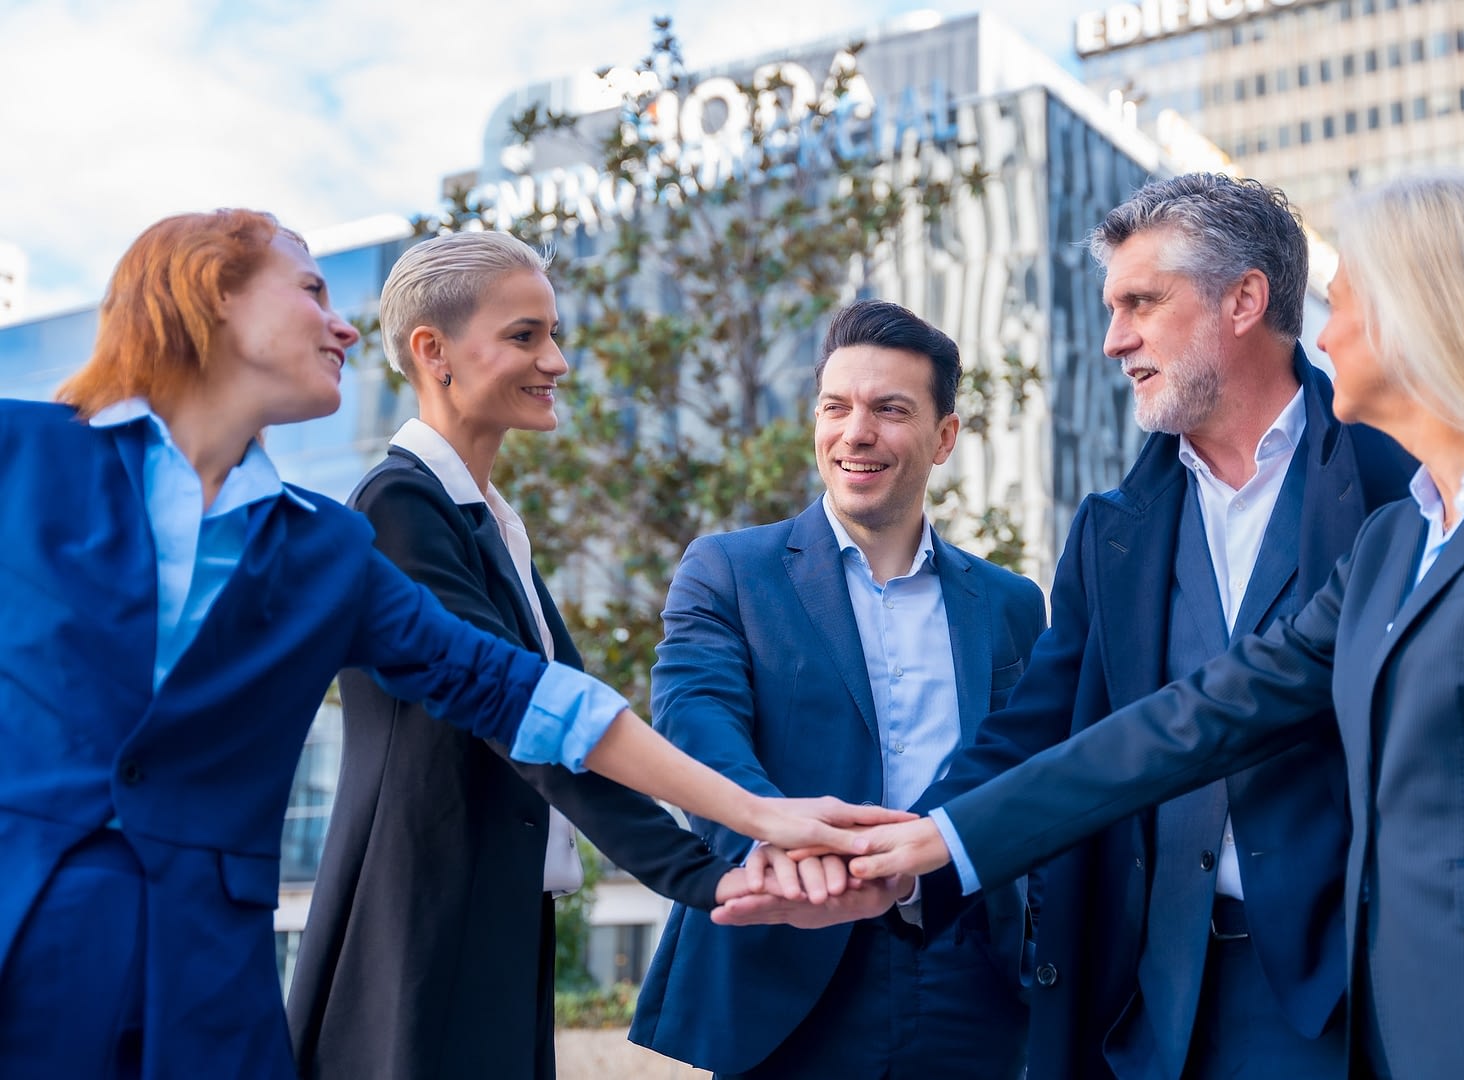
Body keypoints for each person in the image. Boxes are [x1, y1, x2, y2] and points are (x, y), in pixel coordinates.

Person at [0, 209, 902, 1079]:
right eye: (312, 289)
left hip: (205, 993)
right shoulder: (21, 455)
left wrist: (758, 824)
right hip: (45, 944)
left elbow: (531, 700)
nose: (346, 326)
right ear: (214, 295)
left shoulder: (324, 551)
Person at [842, 172, 1464, 1079]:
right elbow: (1187, 721)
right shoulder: (1395, 539)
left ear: (1429, 306)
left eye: (1351, 298)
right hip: (1174, 1003)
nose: (1327, 328)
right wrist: (937, 841)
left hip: (1448, 1017)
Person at [931, 173, 1411, 1079]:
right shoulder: (1112, 526)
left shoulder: (1398, 481)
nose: (1116, 339)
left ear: (1244, 299)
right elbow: (1034, 732)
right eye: (1114, 307)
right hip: (1154, 1005)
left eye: (1142, 303)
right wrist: (910, 849)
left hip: (1349, 997)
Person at [285, 232, 770, 1079]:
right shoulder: (400, 507)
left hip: (494, 916)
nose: (557, 360)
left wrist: (722, 862)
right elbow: (536, 729)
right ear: (432, 352)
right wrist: (707, 874)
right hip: (419, 927)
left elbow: (580, 720)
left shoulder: (488, 522)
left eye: (553, 334)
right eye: (524, 336)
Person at [630, 300, 1048, 1079]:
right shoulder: (728, 569)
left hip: (969, 966)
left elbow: (1023, 759)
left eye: (890, 410)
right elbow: (696, 715)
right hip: (783, 956)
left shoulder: (1011, 604)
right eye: (836, 407)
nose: (856, 432)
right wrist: (774, 836)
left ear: (944, 437)